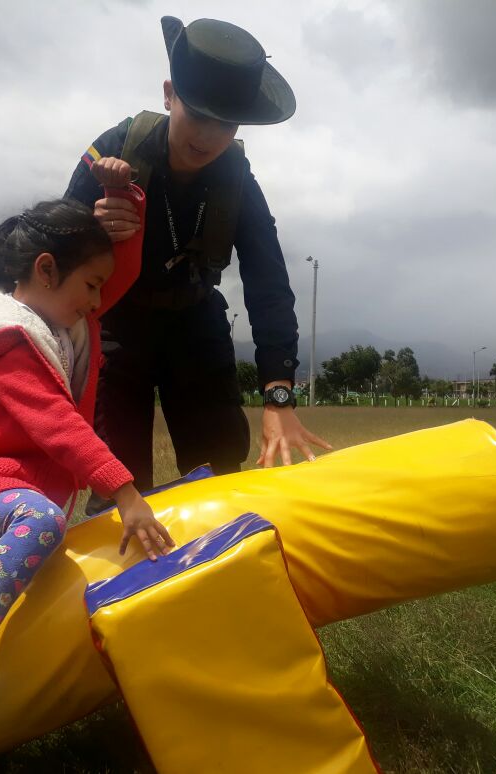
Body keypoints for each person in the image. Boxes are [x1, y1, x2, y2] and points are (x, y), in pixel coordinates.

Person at [0, 185, 175, 750]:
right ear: (46, 270)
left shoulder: (65, 330)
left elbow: (120, 275)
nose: (98, 301)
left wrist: (129, 203)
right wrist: (124, 492)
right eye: (89, 286)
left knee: (46, 573)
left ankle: (1, 701)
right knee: (41, 522)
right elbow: (55, 422)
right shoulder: (8, 337)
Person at [64, 16, 330, 513]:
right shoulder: (113, 150)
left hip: (196, 322)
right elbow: (50, 253)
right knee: (114, 482)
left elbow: (269, 283)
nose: (209, 136)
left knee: (221, 471)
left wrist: (278, 398)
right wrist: (90, 231)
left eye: (226, 122)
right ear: (169, 95)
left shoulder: (238, 179)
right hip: (118, 327)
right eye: (199, 113)